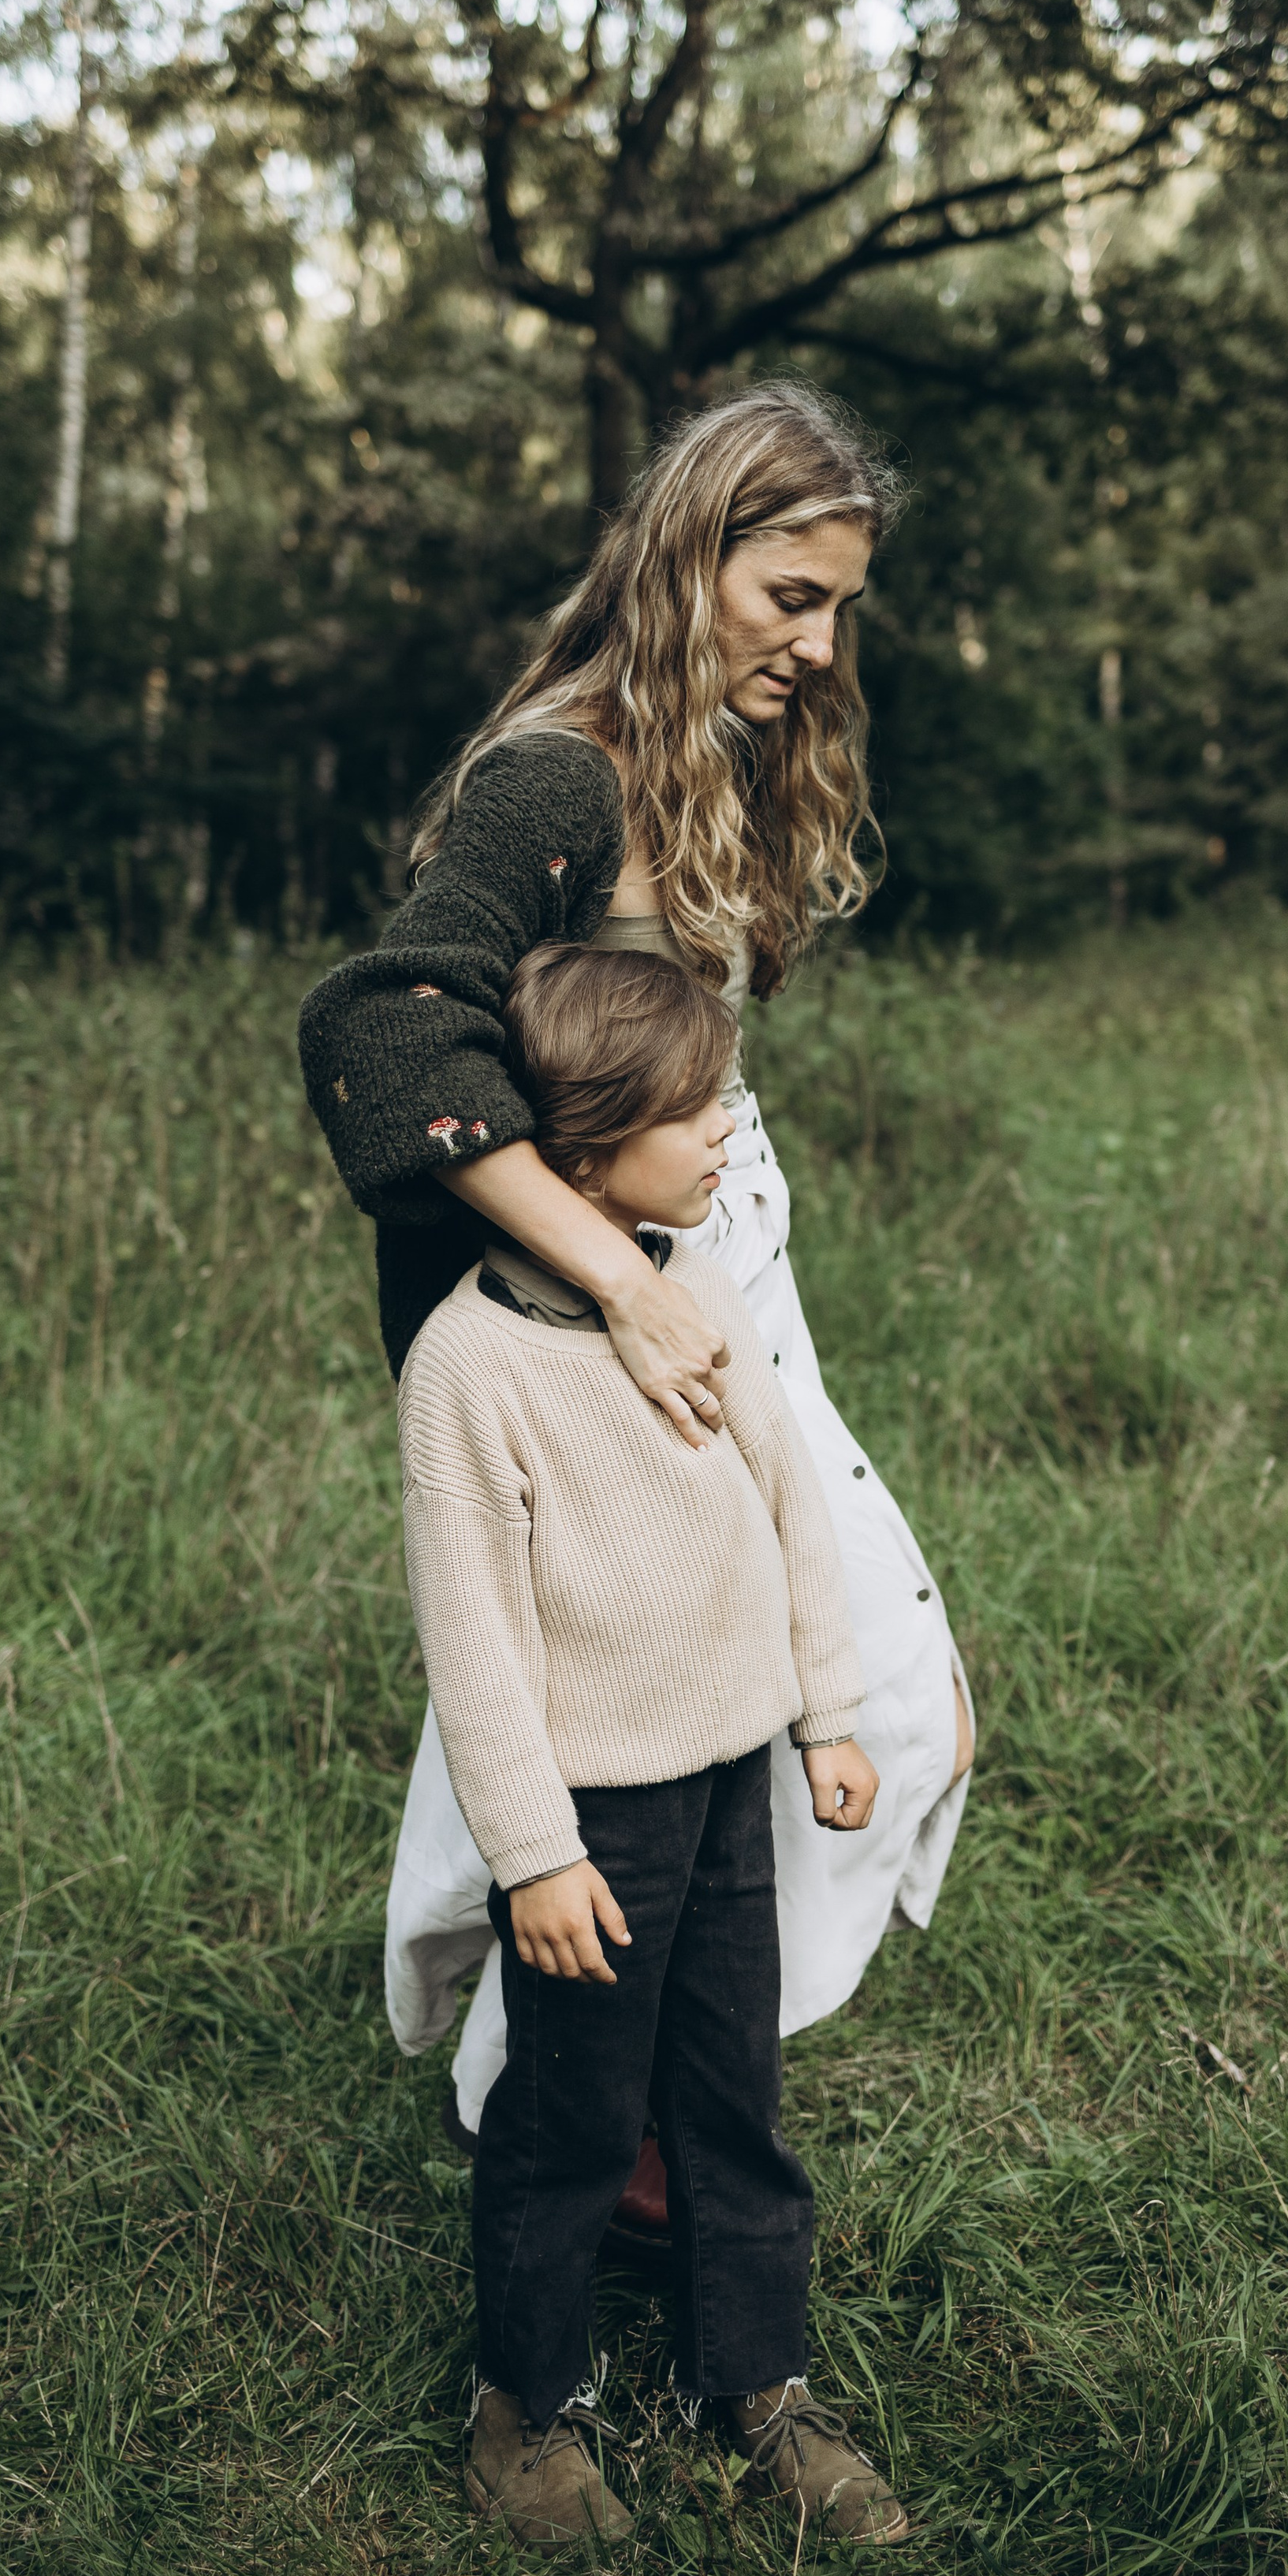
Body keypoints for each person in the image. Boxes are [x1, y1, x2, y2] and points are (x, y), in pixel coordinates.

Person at [298, 379, 973, 2209]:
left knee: (781, 1679)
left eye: (840, 608)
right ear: (693, 557)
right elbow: (387, 1027)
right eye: (790, 600)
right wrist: (619, 1281)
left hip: (709, 1271)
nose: (820, 647)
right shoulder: (560, 770)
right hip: (607, 1305)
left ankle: (654, 2094)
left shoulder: (704, 763)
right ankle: (579, 2107)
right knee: (680, 1695)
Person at [399, 940, 907, 2544]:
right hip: (589, 1828)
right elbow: (472, 1639)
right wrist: (533, 1854)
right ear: (587, 1140)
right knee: (566, 2124)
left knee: (727, 2096)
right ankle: (527, 2416)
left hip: (730, 1790)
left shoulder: (689, 1300)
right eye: (695, 1115)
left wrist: (825, 1712)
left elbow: (788, 1510)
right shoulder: (470, 1371)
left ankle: (752, 2379)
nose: (724, 1141)